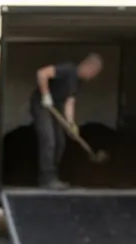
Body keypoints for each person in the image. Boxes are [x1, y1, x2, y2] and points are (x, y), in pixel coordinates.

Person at [32, 53, 103, 189]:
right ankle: (46, 179)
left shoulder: (78, 82)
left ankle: (53, 176)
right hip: (42, 105)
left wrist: (71, 123)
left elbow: (70, 102)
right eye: (94, 73)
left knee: (60, 141)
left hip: (56, 107)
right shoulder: (68, 69)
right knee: (49, 139)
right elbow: (41, 73)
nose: (92, 77)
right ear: (89, 67)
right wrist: (46, 95)